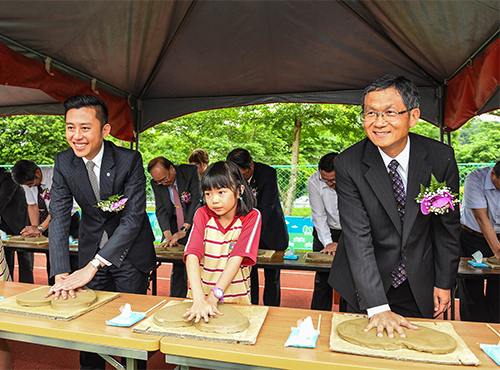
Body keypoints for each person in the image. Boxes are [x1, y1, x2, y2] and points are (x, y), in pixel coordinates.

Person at [328, 75, 460, 338]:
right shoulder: (348, 164)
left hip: (419, 281)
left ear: (413, 116)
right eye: (371, 113)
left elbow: (447, 228)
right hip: (363, 283)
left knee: (417, 353)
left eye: (389, 112)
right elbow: (357, 237)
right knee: (359, 353)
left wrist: (444, 282)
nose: (378, 122)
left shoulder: (439, 158)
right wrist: (377, 306)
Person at [47, 95, 156, 369]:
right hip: (89, 248)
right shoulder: (63, 162)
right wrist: (61, 271)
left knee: (130, 330)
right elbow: (59, 216)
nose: (76, 136)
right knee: (88, 327)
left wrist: (93, 265)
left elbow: (132, 220)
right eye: (70, 127)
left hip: (130, 254)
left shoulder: (129, 160)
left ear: (104, 130)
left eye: (85, 127)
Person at [183, 161, 261, 322]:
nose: (214, 200)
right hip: (199, 301)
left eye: (221, 192)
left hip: (235, 300)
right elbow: (192, 255)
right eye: (208, 194)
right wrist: (198, 298)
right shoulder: (201, 214)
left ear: (239, 190)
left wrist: (213, 298)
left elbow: (236, 258)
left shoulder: (251, 217)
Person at [227, 148, 288, 307]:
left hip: (270, 231)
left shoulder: (268, 173)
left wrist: (250, 233)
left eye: (244, 175)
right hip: (243, 231)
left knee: (272, 277)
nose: (241, 179)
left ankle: (272, 309)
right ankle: (250, 307)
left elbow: (266, 207)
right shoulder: (228, 176)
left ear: (251, 165)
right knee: (247, 274)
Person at [11, 160, 80, 284]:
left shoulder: (56, 177)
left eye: (31, 183)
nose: (29, 187)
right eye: (26, 185)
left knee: (73, 260)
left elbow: (60, 209)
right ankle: (54, 288)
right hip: (48, 223)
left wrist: (40, 228)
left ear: (37, 173)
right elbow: (32, 205)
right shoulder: (28, 183)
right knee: (52, 260)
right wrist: (34, 227)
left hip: (68, 221)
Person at [147, 157, 201, 298]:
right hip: (175, 226)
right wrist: (168, 235)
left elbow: (196, 200)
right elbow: (161, 210)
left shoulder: (189, 172)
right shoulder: (156, 183)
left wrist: (183, 230)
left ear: (172, 168)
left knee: (201, 265)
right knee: (178, 265)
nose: (162, 183)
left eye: (164, 179)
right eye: (159, 181)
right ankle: (176, 299)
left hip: (196, 225)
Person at [459, 161, 500, 323]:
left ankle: (495, 330)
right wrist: (498, 252)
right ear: (493, 175)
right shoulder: (475, 178)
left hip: (498, 236)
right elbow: (482, 219)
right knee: (471, 287)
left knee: (498, 289)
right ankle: (473, 331)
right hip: (472, 237)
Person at [307, 152, 342, 311]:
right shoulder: (314, 182)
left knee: (350, 279)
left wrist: (342, 243)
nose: (329, 184)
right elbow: (319, 216)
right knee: (323, 280)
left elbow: (358, 215)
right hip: (325, 233)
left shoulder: (354, 179)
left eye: (333, 180)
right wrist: (328, 243)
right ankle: (317, 318)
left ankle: (348, 318)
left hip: (351, 232)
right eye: (325, 180)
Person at [0, 167, 33, 283]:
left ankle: (28, 290)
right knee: (6, 261)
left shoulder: (8, 177)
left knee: (25, 261)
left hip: (20, 222)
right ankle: (8, 288)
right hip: (3, 225)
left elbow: (3, 199)